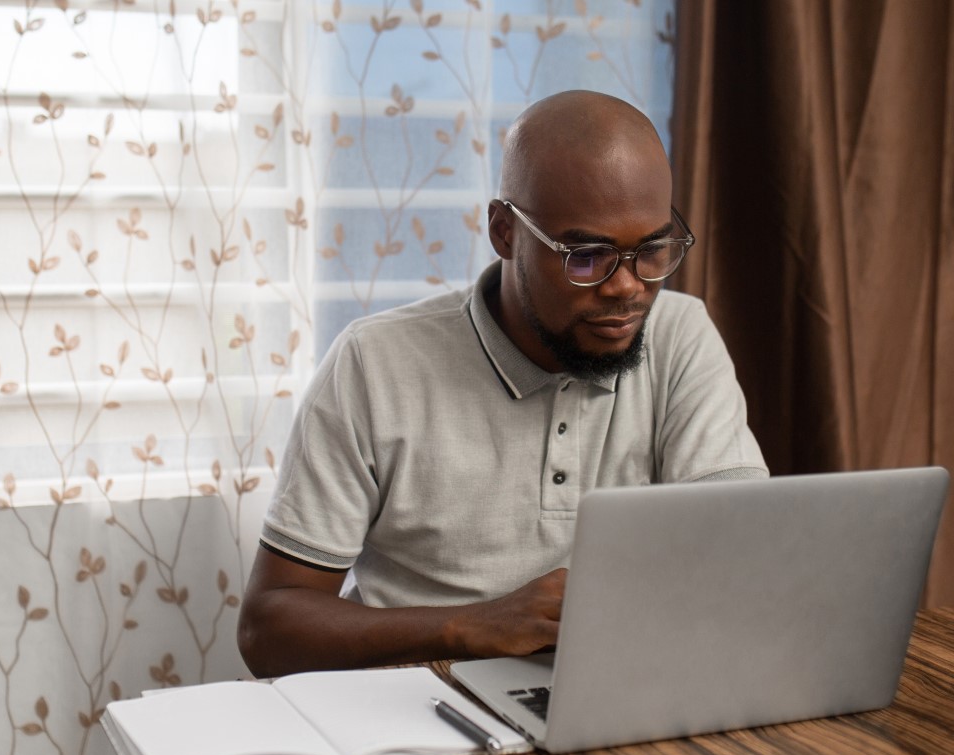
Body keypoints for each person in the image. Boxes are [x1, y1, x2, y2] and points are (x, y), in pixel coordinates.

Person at [238, 90, 767, 678]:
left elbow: (744, 559)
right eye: (587, 256)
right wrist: (472, 626)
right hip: (415, 708)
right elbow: (269, 628)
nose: (628, 287)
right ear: (504, 231)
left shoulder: (680, 335)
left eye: (651, 249)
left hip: (618, 692)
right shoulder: (373, 364)